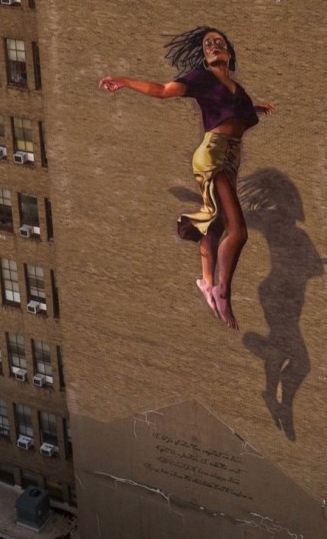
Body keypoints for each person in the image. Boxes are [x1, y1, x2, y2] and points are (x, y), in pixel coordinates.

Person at [100, 27, 273, 330]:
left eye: (219, 43)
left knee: (216, 220)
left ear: (228, 53)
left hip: (232, 158)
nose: (214, 46)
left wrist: (257, 107)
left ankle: (207, 283)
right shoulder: (201, 79)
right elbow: (163, 90)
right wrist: (124, 81)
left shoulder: (239, 92)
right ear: (205, 56)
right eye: (208, 45)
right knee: (239, 230)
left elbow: (238, 115)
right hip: (212, 154)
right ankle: (222, 291)